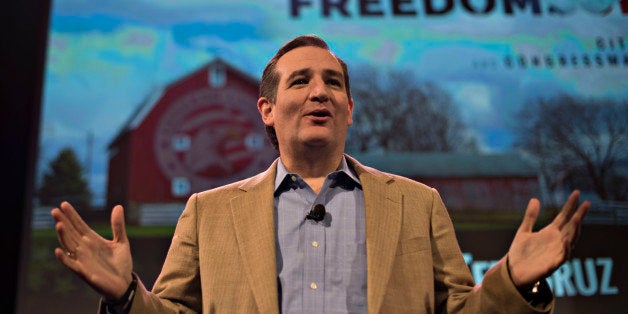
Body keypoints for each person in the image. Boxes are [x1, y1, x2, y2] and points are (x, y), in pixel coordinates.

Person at [51, 34, 590, 313]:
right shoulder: (208, 213)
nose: (319, 91)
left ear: (349, 109)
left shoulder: (417, 204)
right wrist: (126, 298)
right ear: (266, 108)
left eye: (333, 82)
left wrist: (514, 284)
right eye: (301, 80)